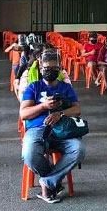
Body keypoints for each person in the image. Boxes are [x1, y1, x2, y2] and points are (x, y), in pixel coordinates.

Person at [20, 50, 86, 203]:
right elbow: (23, 114)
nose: (50, 71)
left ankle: (47, 183)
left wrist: (60, 114)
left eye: (54, 68)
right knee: (29, 153)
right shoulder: (34, 87)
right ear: (41, 68)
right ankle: (53, 181)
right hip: (38, 129)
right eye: (47, 68)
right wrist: (43, 106)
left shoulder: (65, 87)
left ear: (60, 69)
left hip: (62, 129)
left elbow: (77, 109)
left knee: (78, 149)